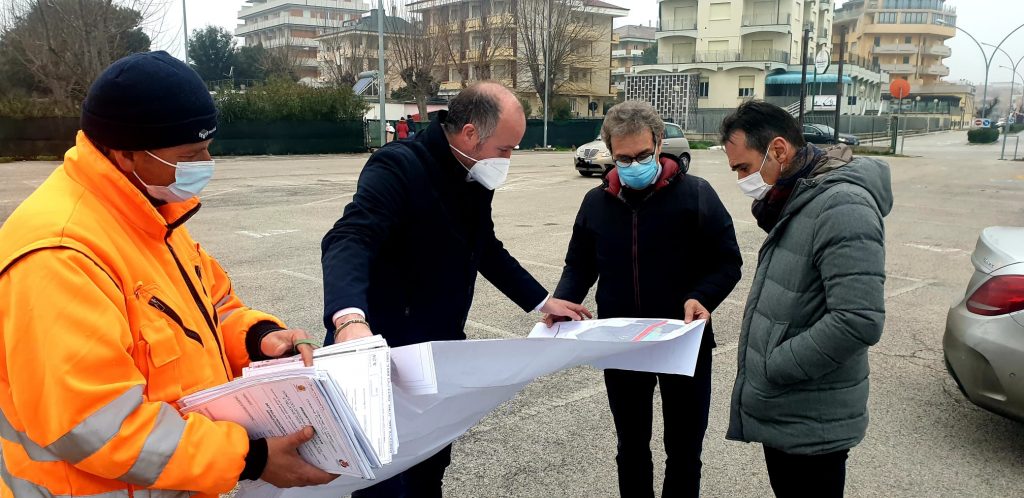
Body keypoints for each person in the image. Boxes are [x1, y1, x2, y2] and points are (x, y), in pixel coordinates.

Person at [0, 51, 335, 496]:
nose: (205, 164)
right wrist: (249, 458)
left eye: (207, 148)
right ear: (124, 155)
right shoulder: (59, 255)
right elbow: (92, 423)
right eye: (190, 154)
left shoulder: (150, 216)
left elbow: (211, 309)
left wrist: (258, 339)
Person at [321, 80, 592, 497]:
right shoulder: (398, 166)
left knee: (430, 467)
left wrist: (542, 300)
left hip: (438, 354)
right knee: (383, 480)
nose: (507, 160)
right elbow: (350, 239)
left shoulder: (471, 174)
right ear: (470, 134)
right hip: (380, 355)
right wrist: (348, 321)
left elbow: (484, 246)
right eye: (505, 149)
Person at [546, 101, 742, 498]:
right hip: (623, 344)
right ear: (610, 153)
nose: (633, 164)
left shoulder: (697, 195)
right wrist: (563, 300)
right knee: (631, 448)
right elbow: (579, 265)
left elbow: (727, 261)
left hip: (683, 342)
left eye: (641, 155)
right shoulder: (596, 203)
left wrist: (703, 297)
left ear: (657, 145)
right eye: (623, 158)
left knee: (684, 451)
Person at [720, 101, 891, 497]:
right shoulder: (798, 199)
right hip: (792, 409)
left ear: (778, 151)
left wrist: (775, 364)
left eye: (744, 167)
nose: (742, 179)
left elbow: (858, 319)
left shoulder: (841, 205)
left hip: (812, 417)